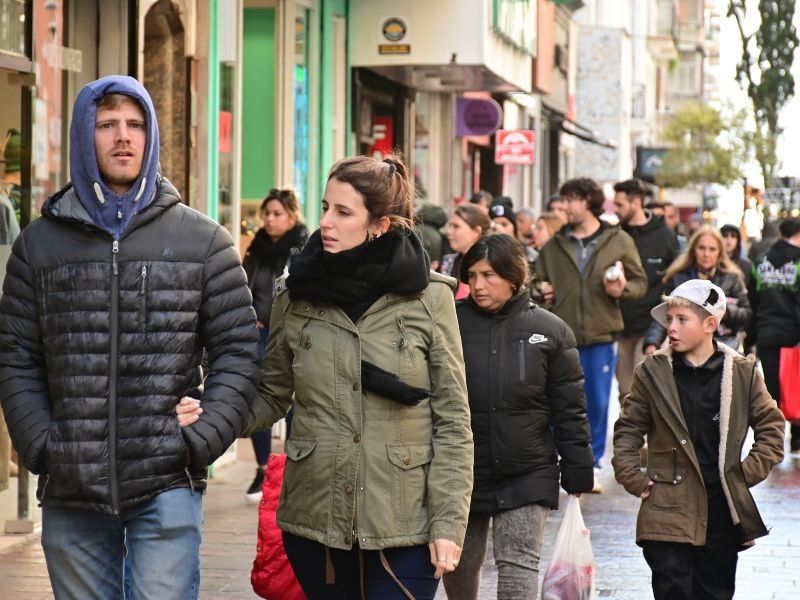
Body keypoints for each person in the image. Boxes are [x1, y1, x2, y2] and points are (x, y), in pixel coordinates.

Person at [0, 75, 261, 599]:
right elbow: (17, 357)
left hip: (167, 478)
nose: (124, 137)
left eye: (136, 124)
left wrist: (203, 435)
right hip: (72, 484)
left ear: (152, 135)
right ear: (83, 135)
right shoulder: (38, 245)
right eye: (107, 124)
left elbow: (238, 349)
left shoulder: (203, 239)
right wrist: (43, 445)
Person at [242, 154, 474, 599]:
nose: (325, 222)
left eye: (343, 212)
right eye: (326, 207)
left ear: (380, 225)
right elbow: (271, 395)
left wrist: (448, 523)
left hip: (406, 522)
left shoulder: (428, 299)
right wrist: (211, 418)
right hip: (316, 517)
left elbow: (453, 421)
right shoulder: (297, 295)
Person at [612, 279, 785, 600]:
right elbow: (628, 429)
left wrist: (744, 474)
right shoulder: (652, 371)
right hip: (665, 505)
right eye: (669, 320)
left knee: (714, 592)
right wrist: (631, 476)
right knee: (671, 589)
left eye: (682, 319)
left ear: (710, 324)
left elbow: (772, 429)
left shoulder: (741, 372)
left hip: (720, 508)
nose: (671, 328)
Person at [443, 234, 594, 599]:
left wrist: (577, 468)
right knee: (458, 564)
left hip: (527, 470)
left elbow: (569, 408)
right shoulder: (450, 324)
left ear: (514, 277)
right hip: (463, 471)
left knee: (518, 566)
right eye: (472, 275)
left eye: (489, 275)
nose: (478, 285)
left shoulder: (550, 330)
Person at [536, 177, 647, 491]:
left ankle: (593, 462)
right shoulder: (555, 244)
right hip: (561, 336)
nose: (564, 206)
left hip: (601, 334)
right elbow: (536, 282)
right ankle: (563, 461)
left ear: (588, 201)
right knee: (561, 400)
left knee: (597, 402)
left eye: (570, 199)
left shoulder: (618, 240)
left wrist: (622, 288)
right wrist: (541, 291)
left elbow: (641, 285)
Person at [241, 188, 308, 503]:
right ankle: (263, 468)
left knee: (294, 399)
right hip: (260, 333)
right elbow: (244, 284)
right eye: (266, 213)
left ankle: (292, 470)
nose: (269, 219)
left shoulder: (302, 247)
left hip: (293, 333)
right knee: (259, 397)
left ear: (292, 216)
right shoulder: (256, 248)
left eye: (277, 213)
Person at [613, 178, 679, 409]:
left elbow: (676, 281)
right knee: (625, 392)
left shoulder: (666, 237)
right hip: (620, 326)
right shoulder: (616, 235)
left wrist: (667, 321)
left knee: (647, 392)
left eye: (620, 204)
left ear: (637, 202)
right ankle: (632, 444)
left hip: (652, 326)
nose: (616, 210)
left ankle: (649, 445)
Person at [644, 225, 751, 353]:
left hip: (724, 347)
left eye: (712, 249)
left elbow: (746, 314)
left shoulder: (732, 278)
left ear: (719, 252)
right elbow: (664, 311)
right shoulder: (678, 277)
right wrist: (652, 342)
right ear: (694, 249)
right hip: (687, 347)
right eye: (702, 248)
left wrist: (724, 311)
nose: (706, 254)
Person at [751, 217, 800, 454]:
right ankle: (798, 439)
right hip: (794, 337)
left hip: (767, 333)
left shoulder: (760, 262)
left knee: (772, 392)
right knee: (797, 389)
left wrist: (751, 339)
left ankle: (772, 441)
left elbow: (753, 301)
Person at [440, 203, 492, 300]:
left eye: (456, 226)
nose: (449, 232)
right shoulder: (446, 263)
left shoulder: (492, 263)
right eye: (450, 225)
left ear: (477, 231)